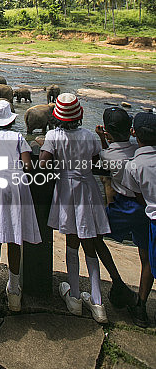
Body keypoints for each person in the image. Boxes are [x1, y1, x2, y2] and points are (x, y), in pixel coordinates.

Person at [39, 93, 110, 324]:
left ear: (57, 117)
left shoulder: (53, 135)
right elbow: (97, 161)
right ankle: (97, 302)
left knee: (71, 242)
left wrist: (44, 148)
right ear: (79, 115)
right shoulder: (89, 136)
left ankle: (75, 297)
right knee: (90, 243)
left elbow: (43, 163)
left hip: (66, 190)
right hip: (88, 189)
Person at [0, 99, 41, 313]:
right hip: (18, 183)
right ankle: (13, 291)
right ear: (9, 120)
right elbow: (27, 165)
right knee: (14, 238)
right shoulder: (18, 137)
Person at [95, 107, 149, 321]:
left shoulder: (107, 155)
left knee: (94, 235)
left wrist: (102, 140)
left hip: (123, 207)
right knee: (146, 256)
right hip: (145, 208)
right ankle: (141, 306)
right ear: (131, 130)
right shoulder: (139, 150)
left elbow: (106, 159)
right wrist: (107, 138)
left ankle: (117, 281)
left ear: (107, 132)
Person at [121, 111, 156, 327]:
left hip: (152, 219)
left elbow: (138, 195)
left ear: (134, 133)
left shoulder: (134, 165)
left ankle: (141, 308)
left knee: (149, 261)